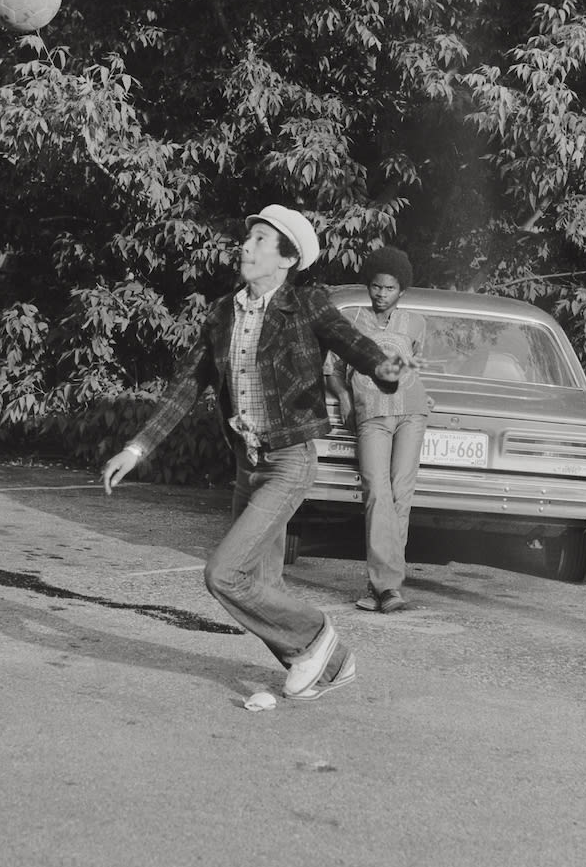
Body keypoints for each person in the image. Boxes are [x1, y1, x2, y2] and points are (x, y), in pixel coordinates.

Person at [103, 206, 412, 701]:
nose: (245, 247)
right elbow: (186, 387)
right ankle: (323, 664)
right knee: (262, 586)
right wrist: (136, 448)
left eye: (260, 240)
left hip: (290, 460)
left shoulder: (306, 303)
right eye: (247, 238)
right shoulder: (223, 313)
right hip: (250, 464)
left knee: (224, 574)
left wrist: (383, 369)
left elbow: (352, 343)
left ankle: (318, 641)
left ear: (286, 258)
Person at [325, 246, 429, 613]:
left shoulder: (416, 324)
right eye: (375, 286)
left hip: (411, 415)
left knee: (402, 495)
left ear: (402, 291)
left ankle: (385, 587)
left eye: (389, 288)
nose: (381, 294)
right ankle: (383, 587)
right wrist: (344, 398)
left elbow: (415, 368)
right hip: (371, 416)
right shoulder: (352, 319)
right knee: (376, 493)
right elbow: (333, 369)